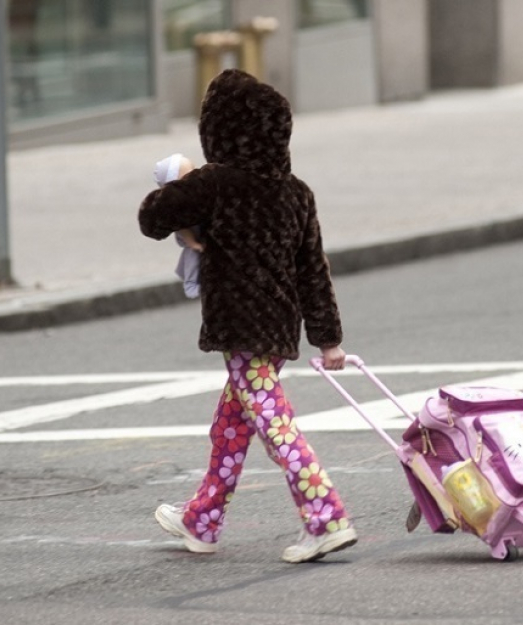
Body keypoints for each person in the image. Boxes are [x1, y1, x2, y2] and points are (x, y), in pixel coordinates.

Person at [138, 69, 356, 564]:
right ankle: (202, 519)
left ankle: (325, 517)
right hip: (279, 327)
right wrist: (328, 340)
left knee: (276, 425)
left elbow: (152, 218)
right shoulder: (297, 192)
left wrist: (183, 180)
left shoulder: (215, 184)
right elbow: (312, 271)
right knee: (231, 426)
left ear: (219, 128)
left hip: (239, 326)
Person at [153, 153, 202, 299]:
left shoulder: (199, 190)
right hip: (193, 237)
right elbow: (181, 227)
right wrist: (192, 243)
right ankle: (191, 284)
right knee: (192, 259)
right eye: (189, 174)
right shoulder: (178, 205)